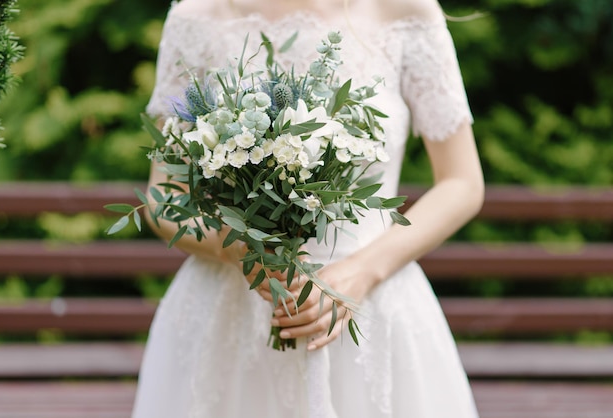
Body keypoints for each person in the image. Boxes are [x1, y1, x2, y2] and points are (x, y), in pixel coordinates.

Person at [132, 0, 485, 416]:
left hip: (371, 305)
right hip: (231, 312)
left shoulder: (404, 10)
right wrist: (240, 250)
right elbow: (164, 195)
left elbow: (462, 183)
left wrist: (358, 274)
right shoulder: (197, 16)